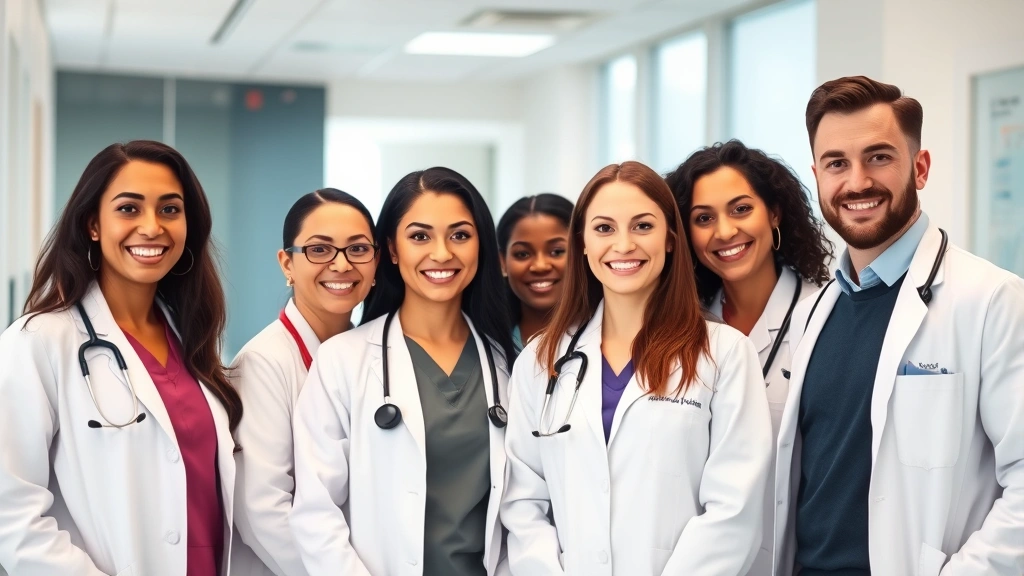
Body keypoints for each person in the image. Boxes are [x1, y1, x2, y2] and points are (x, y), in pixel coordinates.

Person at [774, 76, 1024, 575]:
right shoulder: (819, 307)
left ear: (920, 166)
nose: (857, 181)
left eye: (879, 157)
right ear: (817, 176)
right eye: (836, 163)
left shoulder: (991, 299)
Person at [501, 161, 772, 575]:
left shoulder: (726, 354)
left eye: (643, 226)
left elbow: (734, 509)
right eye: (604, 228)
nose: (623, 245)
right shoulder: (540, 362)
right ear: (583, 244)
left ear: (669, 239)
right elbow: (524, 504)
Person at [0, 140, 241, 575]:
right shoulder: (40, 342)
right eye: (129, 209)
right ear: (93, 224)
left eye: (170, 209)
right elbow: (12, 516)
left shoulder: (195, 337)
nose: (152, 227)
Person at [289, 167, 516, 575]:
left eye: (460, 235)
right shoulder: (344, 360)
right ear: (391, 249)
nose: (442, 253)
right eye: (420, 236)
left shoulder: (508, 366)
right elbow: (316, 511)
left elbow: (523, 506)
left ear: (481, 246)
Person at [665, 140, 832, 575]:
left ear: (774, 213)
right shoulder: (680, 332)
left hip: (791, 560)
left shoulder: (825, 317)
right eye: (703, 218)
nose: (724, 232)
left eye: (741, 209)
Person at [230, 189, 378, 576]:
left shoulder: (372, 357)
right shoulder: (263, 363)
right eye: (319, 250)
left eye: (358, 249)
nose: (342, 265)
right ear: (287, 263)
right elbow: (262, 511)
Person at [496, 193, 574, 351]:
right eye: (522, 254)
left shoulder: (611, 338)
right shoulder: (485, 344)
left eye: (556, 251)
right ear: (502, 262)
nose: (540, 266)